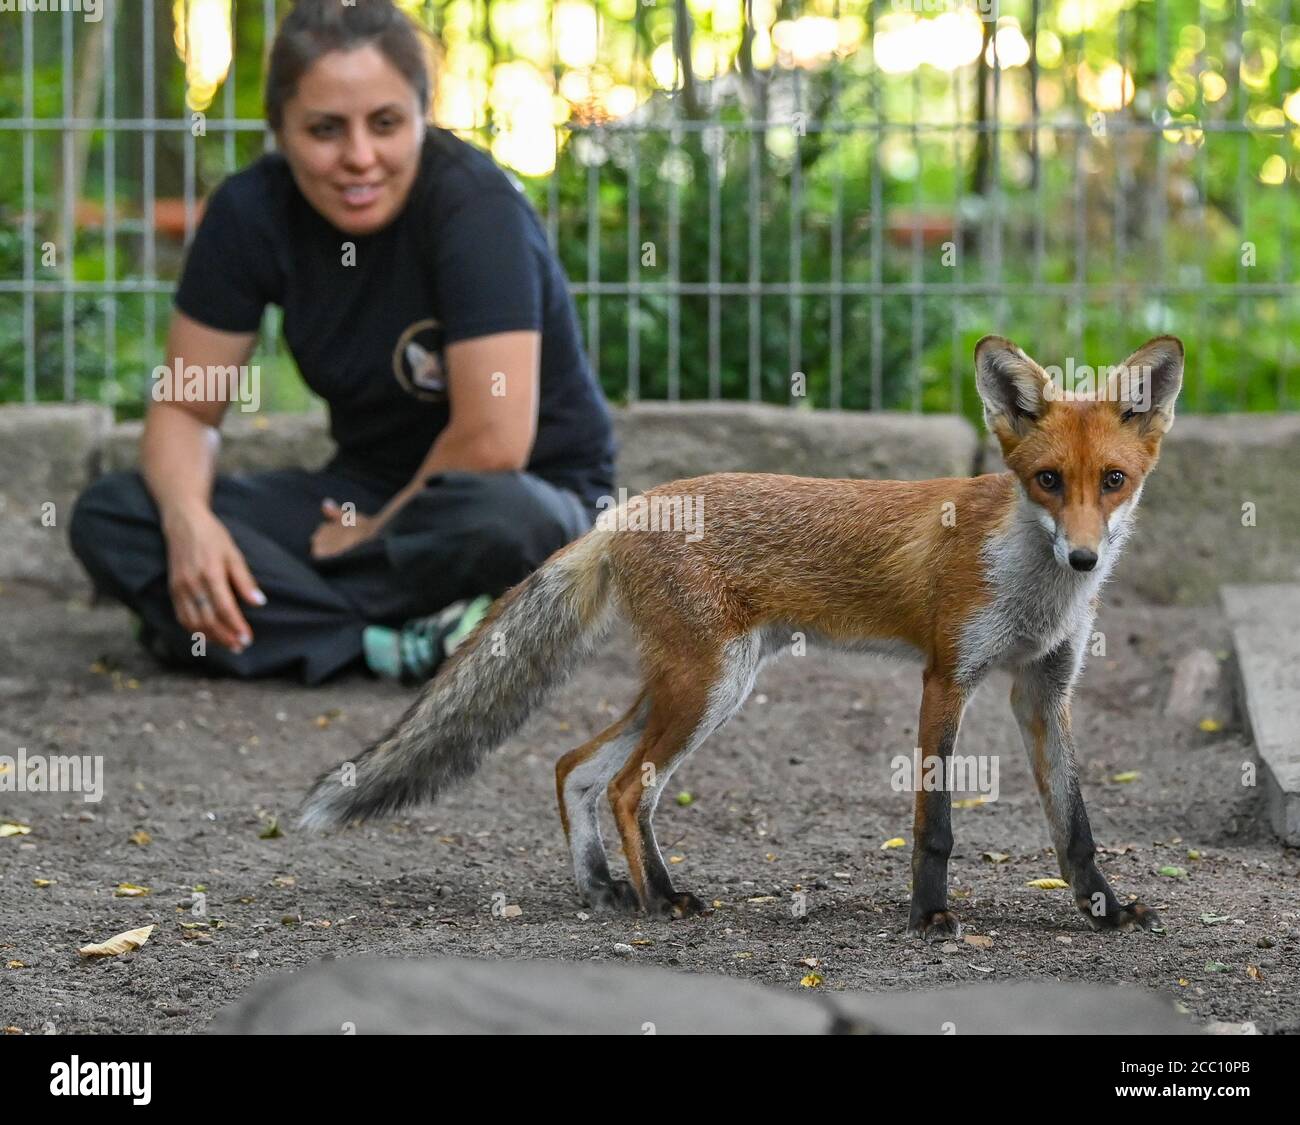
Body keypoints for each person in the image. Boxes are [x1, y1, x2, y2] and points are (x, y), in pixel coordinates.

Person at [69, 0, 615, 685]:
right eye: (325, 130)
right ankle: (400, 638)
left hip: (518, 497)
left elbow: (493, 442)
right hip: (358, 497)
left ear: (423, 114)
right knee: (116, 514)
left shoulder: (475, 206)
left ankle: (249, 629)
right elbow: (184, 410)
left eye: (385, 124)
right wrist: (188, 526)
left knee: (506, 521)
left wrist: (374, 531)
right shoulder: (248, 213)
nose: (359, 158)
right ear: (280, 131)